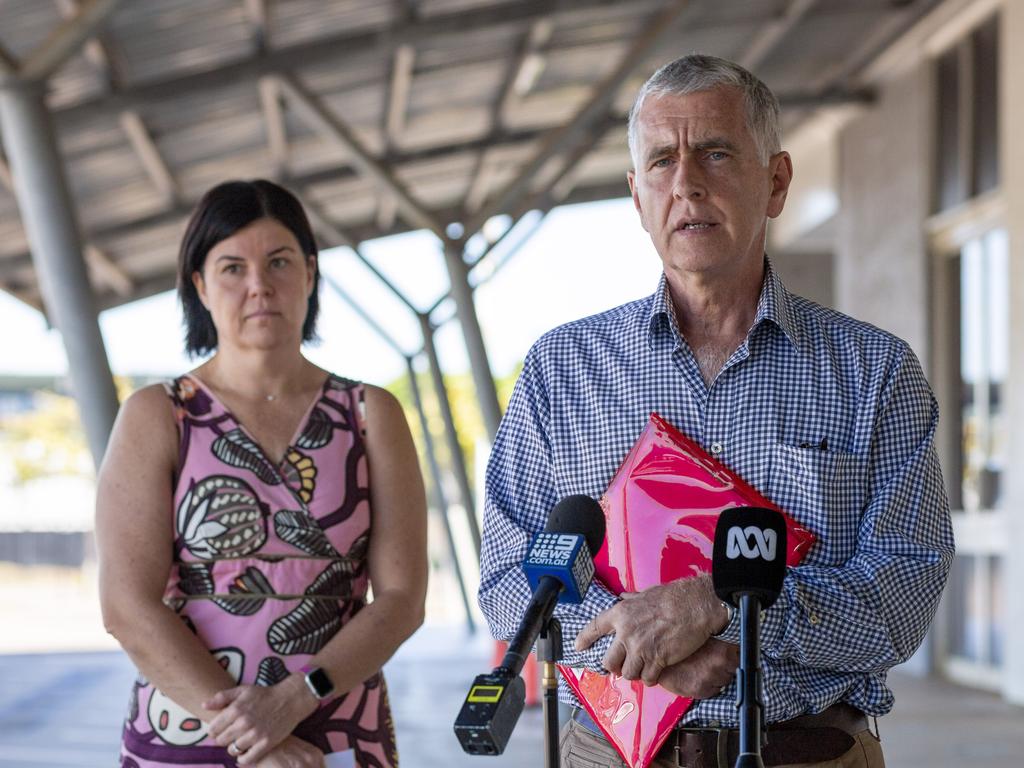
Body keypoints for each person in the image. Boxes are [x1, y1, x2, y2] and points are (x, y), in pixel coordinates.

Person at [478, 55, 954, 768]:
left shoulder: (873, 372)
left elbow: (905, 587)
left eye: (717, 152)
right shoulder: (562, 370)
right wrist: (642, 645)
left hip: (809, 749)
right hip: (608, 751)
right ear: (638, 196)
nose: (687, 183)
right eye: (662, 161)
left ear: (777, 180)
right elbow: (508, 574)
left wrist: (726, 616)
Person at [96, 179, 428, 768]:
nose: (258, 285)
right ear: (199, 285)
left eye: (278, 261)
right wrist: (258, 734)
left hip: (337, 727)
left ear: (310, 272)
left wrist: (293, 700)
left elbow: (401, 599)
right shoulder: (158, 414)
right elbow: (127, 605)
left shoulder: (371, 414)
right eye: (232, 267)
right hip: (189, 730)